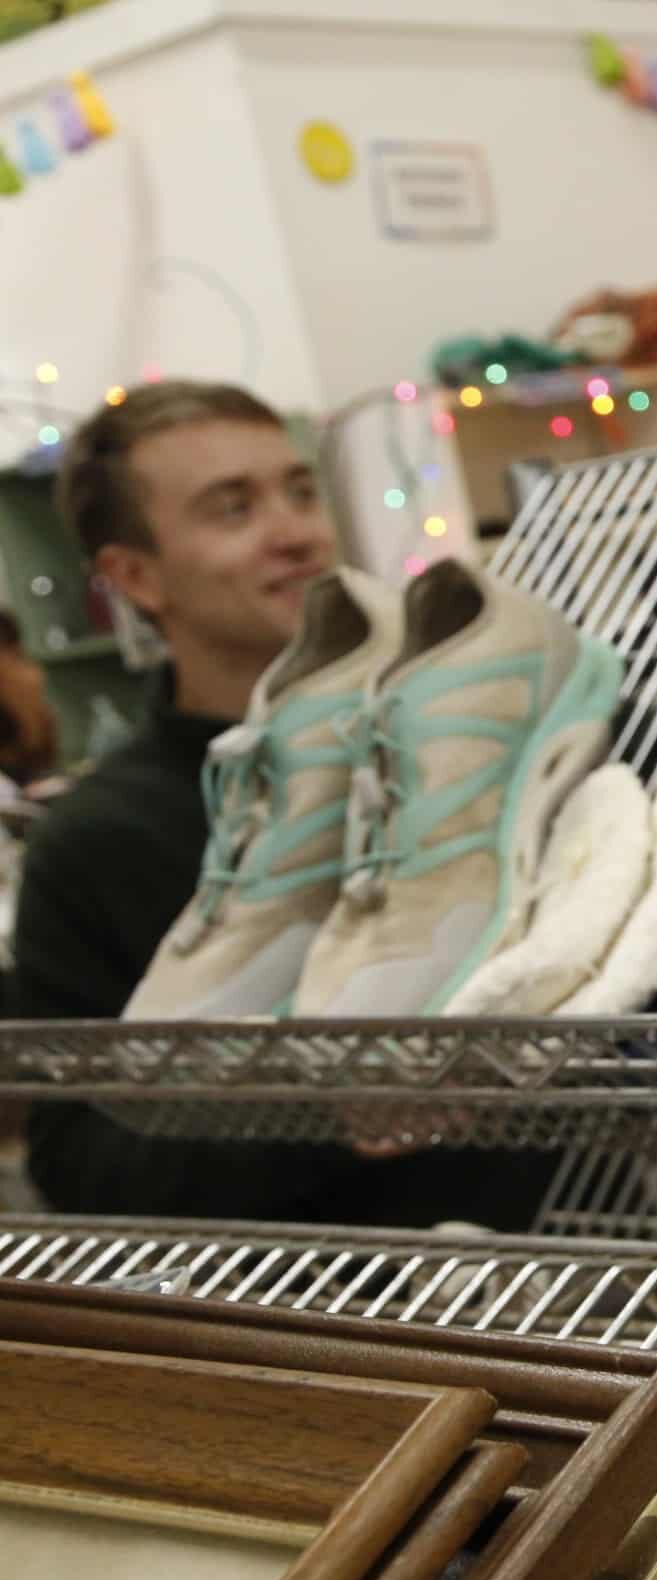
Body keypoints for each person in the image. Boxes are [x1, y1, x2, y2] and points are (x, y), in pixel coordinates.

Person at [8, 381, 547, 1226]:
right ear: (134, 575)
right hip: (341, 1290)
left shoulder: (470, 740)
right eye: (234, 508)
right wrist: (324, 1113)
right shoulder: (97, 841)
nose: (296, 532)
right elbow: (79, 1160)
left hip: (591, 1239)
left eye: (300, 491)